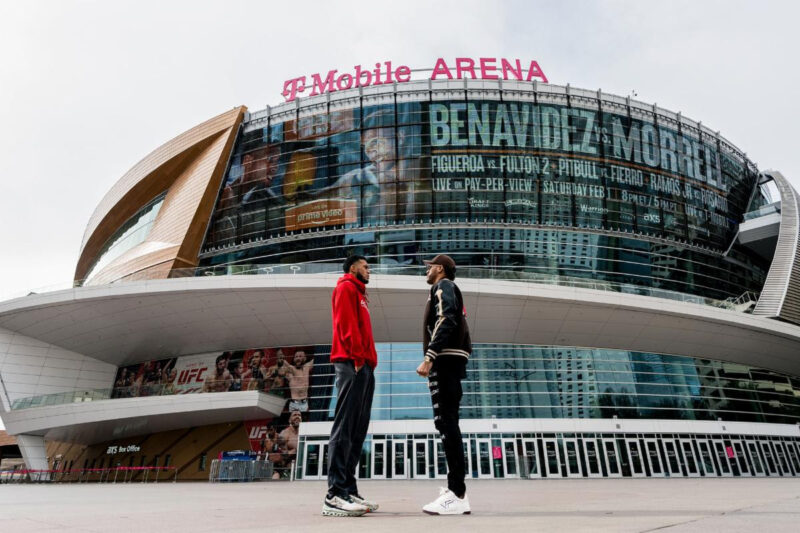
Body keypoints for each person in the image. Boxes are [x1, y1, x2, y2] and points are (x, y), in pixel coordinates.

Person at [416, 254, 472, 515]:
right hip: (449, 360)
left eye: (429, 267)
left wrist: (430, 356)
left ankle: (457, 494)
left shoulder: (443, 286)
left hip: (445, 360)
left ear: (439, 268)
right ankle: (456, 490)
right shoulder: (445, 288)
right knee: (446, 422)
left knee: (447, 423)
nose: (426, 271)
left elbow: (446, 318)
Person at [323, 255, 378, 517]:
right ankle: (334, 494)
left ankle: (349, 488)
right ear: (353, 268)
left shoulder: (362, 294)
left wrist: (369, 363)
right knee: (344, 427)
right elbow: (345, 325)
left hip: (364, 364)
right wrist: (357, 357)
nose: (369, 270)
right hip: (350, 362)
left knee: (358, 430)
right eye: (366, 266)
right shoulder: (345, 287)